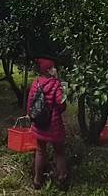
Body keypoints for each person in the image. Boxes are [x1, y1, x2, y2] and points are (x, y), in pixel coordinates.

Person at [27, 58, 68, 190]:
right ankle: (62, 180)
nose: (55, 69)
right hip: (54, 125)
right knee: (59, 152)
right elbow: (61, 106)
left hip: (39, 124)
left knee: (40, 151)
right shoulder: (56, 84)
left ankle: (37, 181)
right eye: (53, 67)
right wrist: (60, 82)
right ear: (49, 70)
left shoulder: (35, 83)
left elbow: (30, 105)